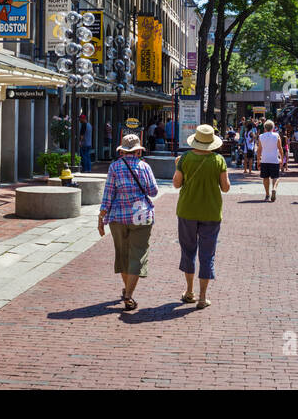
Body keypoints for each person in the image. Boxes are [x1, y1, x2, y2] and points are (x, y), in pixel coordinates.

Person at [98, 134, 160, 311]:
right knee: (138, 255)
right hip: (141, 215)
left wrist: (101, 217)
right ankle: (128, 295)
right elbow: (153, 191)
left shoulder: (114, 167)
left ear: (123, 150)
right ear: (139, 150)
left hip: (118, 216)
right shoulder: (144, 167)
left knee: (123, 255)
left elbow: (108, 195)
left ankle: (127, 290)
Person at [173, 124, 231, 309]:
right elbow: (226, 187)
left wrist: (178, 166)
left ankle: (189, 291)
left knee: (188, 251)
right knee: (207, 254)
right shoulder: (219, 160)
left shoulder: (184, 159)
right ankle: (202, 296)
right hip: (211, 212)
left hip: (187, 210)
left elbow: (176, 184)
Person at [257, 119, 284, 201]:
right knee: (276, 177)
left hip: (264, 159)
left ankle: (267, 195)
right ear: (273, 128)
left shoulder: (261, 136)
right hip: (274, 159)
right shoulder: (276, 136)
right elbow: (280, 148)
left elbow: (259, 150)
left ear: (265, 128)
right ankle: (274, 188)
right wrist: (282, 159)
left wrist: (258, 160)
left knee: (265, 178)